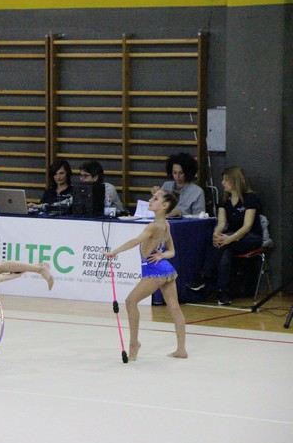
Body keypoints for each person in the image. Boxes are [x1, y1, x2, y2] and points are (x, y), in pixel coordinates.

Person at [105, 189, 187, 360]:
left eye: (155, 199)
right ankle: (181, 349)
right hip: (166, 269)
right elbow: (171, 251)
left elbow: (135, 241)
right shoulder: (166, 225)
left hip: (154, 271)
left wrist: (115, 252)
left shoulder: (153, 226)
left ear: (164, 205)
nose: (150, 200)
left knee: (131, 301)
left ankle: (134, 343)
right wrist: (162, 256)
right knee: (174, 307)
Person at [187, 167, 263, 306]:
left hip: (251, 237)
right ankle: (222, 292)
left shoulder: (250, 199)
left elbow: (247, 226)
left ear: (235, 181)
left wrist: (229, 239)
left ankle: (205, 276)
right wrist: (216, 233)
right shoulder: (225, 200)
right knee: (225, 251)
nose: (222, 183)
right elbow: (222, 223)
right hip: (231, 238)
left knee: (224, 244)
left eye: (225, 180)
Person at [151, 152, 205, 217]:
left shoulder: (197, 192)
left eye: (181, 173)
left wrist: (181, 213)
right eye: (175, 173)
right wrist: (156, 195)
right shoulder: (166, 186)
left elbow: (201, 216)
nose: (177, 176)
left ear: (187, 173)